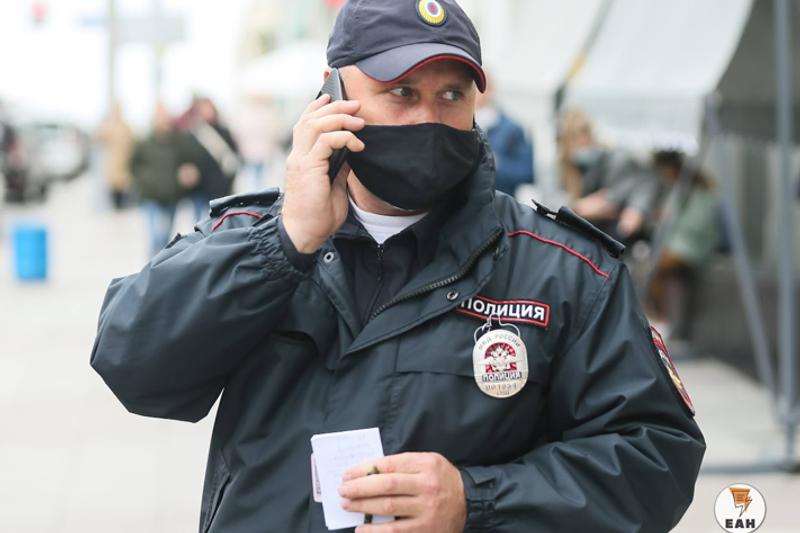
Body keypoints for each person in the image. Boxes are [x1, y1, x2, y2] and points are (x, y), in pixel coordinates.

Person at [91, 1, 704, 531]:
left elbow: (657, 455)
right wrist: (284, 243)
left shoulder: (565, 270)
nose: (428, 119)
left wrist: (477, 500)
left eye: (451, 95)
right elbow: (133, 364)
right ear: (332, 95)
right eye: (402, 92)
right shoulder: (252, 240)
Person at [646, 150, 721, 340]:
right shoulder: (675, 191)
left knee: (656, 269)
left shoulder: (699, 193)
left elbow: (697, 227)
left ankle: (660, 321)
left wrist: (669, 218)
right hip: (678, 245)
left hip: (693, 248)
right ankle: (658, 319)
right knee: (652, 267)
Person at [559, 108, 662, 246]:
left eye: (587, 136)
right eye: (577, 139)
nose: (585, 143)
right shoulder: (555, 168)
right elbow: (549, 206)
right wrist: (578, 208)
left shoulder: (612, 158)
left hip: (608, 233)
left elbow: (645, 180)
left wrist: (637, 209)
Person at [129, 103, 195, 257]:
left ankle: (162, 264)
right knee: (155, 236)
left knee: (166, 237)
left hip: (172, 196)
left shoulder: (178, 142)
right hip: (150, 196)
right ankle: (151, 265)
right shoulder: (144, 142)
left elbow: (187, 162)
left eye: (165, 117)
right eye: (159, 117)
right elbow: (134, 165)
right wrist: (145, 180)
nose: (162, 120)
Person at [474, 74, 534, 196]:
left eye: (480, 87)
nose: (476, 92)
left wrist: (497, 163)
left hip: (499, 201)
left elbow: (527, 173)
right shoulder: (459, 124)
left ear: (491, 90)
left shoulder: (513, 129)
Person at [183, 96, 240, 222]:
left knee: (218, 222)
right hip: (199, 187)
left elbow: (233, 156)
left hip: (219, 187)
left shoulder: (224, 132)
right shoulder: (194, 132)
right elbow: (186, 155)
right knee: (199, 222)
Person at [97, 102, 134, 210]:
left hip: (124, 166)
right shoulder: (109, 126)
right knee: (114, 196)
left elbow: (131, 144)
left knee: (124, 195)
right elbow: (99, 137)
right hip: (112, 167)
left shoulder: (126, 127)